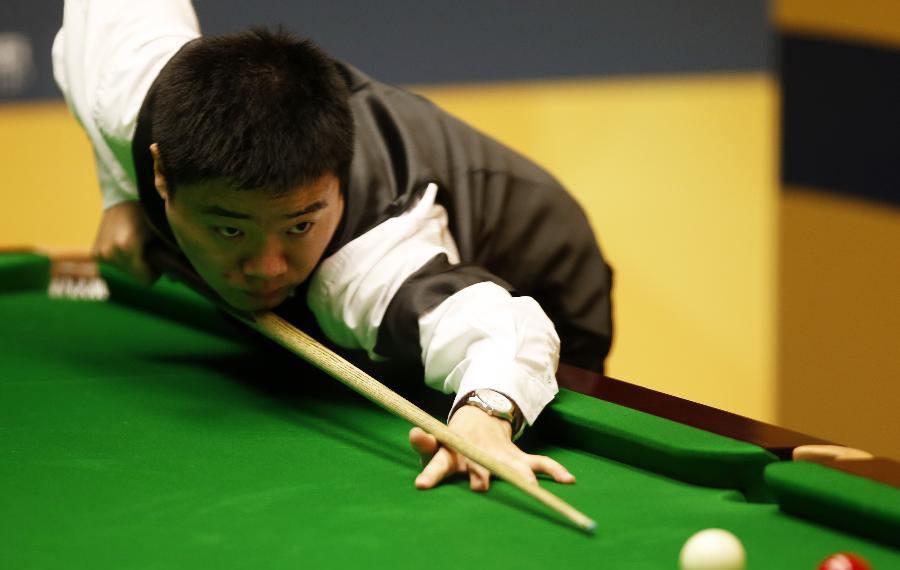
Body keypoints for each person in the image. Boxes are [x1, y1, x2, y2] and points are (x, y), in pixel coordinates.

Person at [52, 0, 613, 493]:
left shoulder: (369, 266)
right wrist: (119, 192)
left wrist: (485, 413)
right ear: (161, 172)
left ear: (338, 181)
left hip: (545, 270)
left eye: (298, 226)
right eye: (230, 230)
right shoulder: (124, 88)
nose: (267, 267)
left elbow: (509, 327)